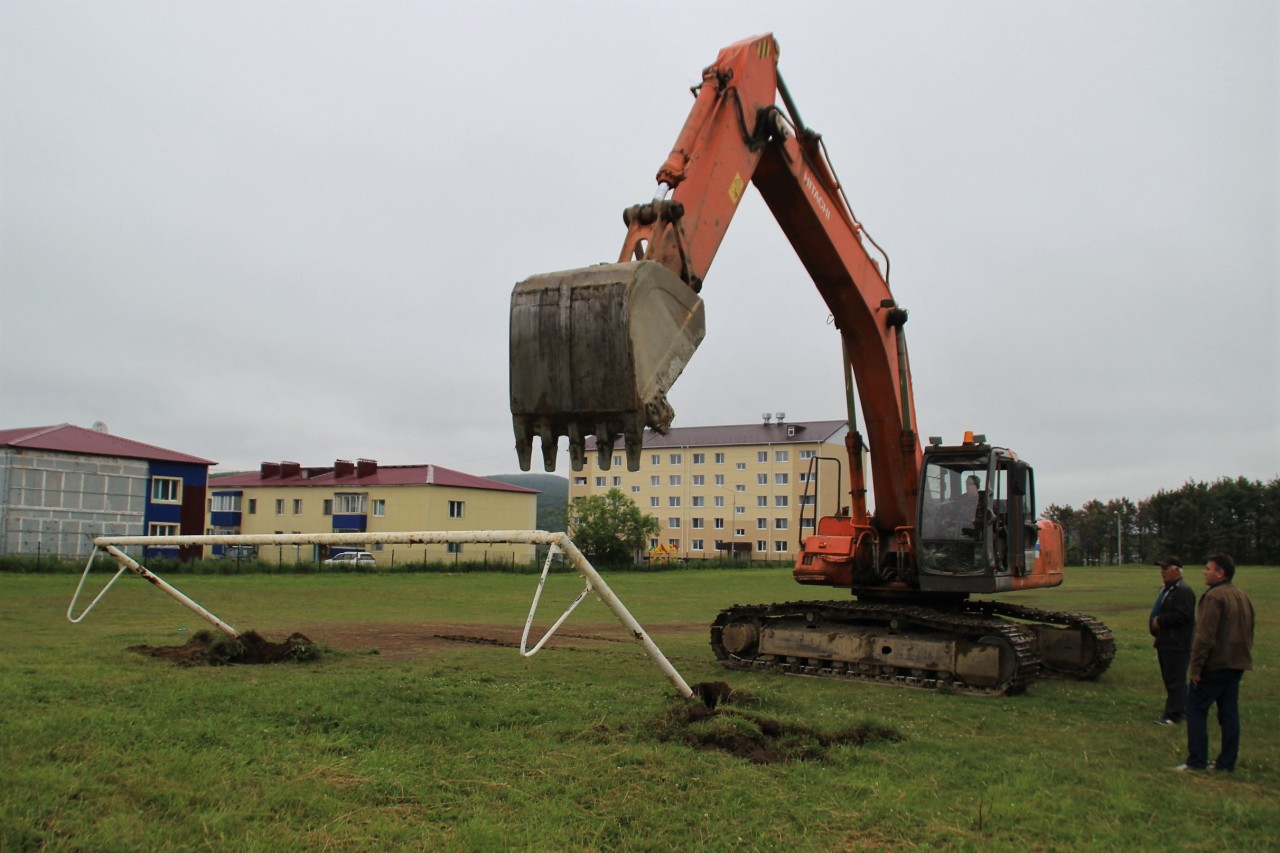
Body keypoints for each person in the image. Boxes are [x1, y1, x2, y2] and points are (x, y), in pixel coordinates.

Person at [1176, 554, 1255, 772]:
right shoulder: (1241, 595)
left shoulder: (1214, 597)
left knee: (1195, 708)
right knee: (1229, 714)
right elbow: (1250, 629)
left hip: (1215, 664)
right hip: (1237, 663)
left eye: (1208, 568)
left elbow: (1204, 636)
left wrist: (1196, 667)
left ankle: (1196, 761)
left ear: (1220, 573)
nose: (1204, 572)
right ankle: (1226, 763)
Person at [1149, 557, 1195, 725]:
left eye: (1166, 568)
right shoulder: (1170, 589)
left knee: (1175, 680)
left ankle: (1173, 715)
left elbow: (1184, 615)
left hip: (1176, 643)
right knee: (1171, 679)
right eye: (1162, 568)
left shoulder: (1183, 591)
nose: (1162, 571)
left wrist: (1160, 621)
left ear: (1177, 570)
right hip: (1166, 641)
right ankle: (1181, 709)